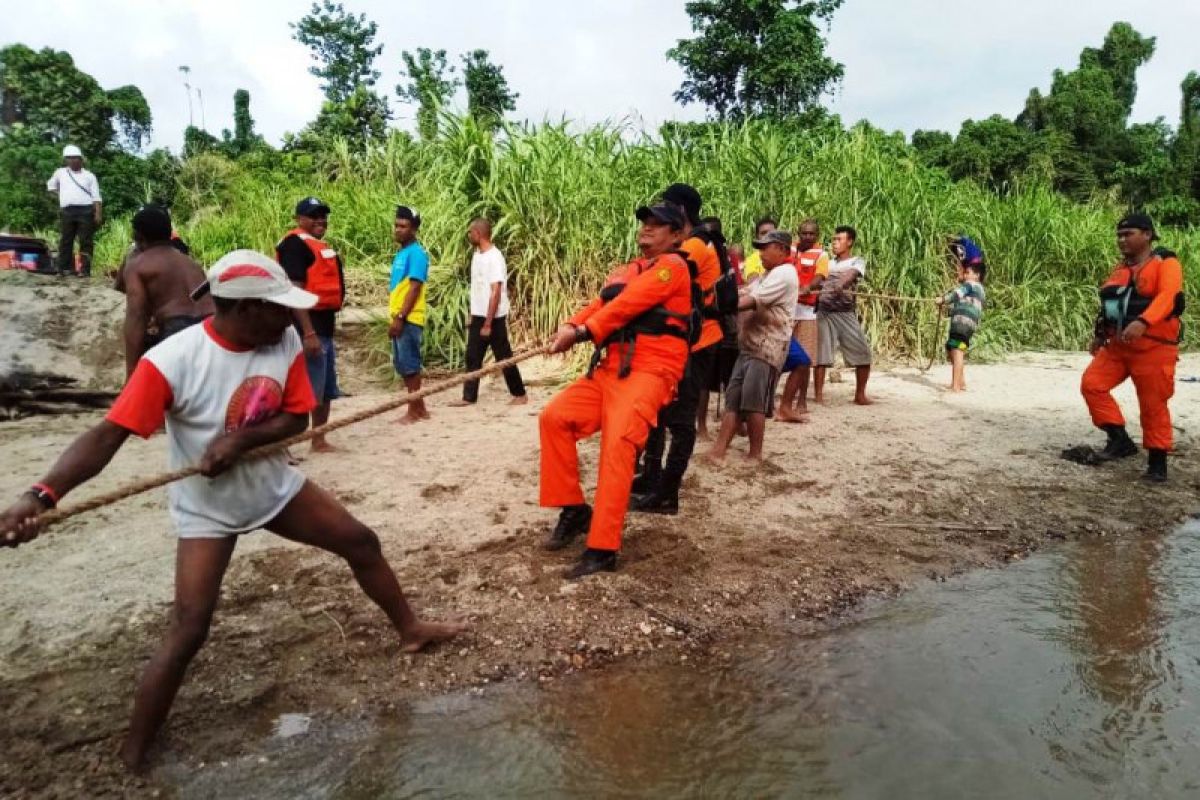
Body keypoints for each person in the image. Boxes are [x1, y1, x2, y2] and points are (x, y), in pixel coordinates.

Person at [0, 250, 464, 771]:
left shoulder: (283, 338)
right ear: (242, 309)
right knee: (190, 628)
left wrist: (239, 442)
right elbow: (108, 436)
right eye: (279, 308)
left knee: (361, 542)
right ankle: (133, 753)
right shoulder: (171, 360)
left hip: (273, 488)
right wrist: (38, 496)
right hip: (208, 509)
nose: (291, 318)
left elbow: (293, 420)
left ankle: (410, 628)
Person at [539, 204, 694, 579]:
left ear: (676, 235)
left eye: (658, 226)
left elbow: (628, 305)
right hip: (611, 367)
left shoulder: (674, 267)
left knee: (618, 445)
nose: (647, 230)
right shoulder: (628, 269)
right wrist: (570, 324)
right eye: (644, 223)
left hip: (651, 370)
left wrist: (580, 334)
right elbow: (603, 304)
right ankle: (575, 510)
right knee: (555, 418)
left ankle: (603, 549)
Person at [632, 184, 723, 514]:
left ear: (681, 211)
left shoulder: (696, 244)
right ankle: (653, 477)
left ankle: (668, 493)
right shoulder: (692, 241)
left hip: (698, 341)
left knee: (680, 418)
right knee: (660, 410)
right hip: (683, 340)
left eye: (667, 207)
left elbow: (661, 276)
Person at [1080, 213, 1185, 483]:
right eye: (1119, 235)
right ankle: (1120, 440)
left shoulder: (1166, 263)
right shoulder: (1120, 269)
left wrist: (1143, 321)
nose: (1122, 239)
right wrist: (1100, 334)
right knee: (1092, 384)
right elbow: (1110, 305)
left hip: (1154, 347)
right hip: (1118, 346)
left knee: (1152, 404)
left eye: (1128, 234)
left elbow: (1168, 296)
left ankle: (1157, 464)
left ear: (1147, 234)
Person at [705, 231, 799, 463]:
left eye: (766, 248)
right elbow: (744, 292)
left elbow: (749, 300)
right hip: (750, 346)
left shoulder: (785, 273)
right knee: (734, 398)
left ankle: (755, 454)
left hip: (767, 347)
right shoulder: (767, 275)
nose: (761, 253)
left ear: (781, 249)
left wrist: (720, 306)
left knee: (753, 403)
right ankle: (719, 450)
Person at [275, 197, 346, 453]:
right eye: (314, 215)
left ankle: (319, 439)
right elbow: (295, 290)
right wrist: (308, 332)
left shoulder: (319, 246)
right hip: (306, 329)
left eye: (323, 215)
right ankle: (282, 447)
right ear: (299, 219)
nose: (320, 220)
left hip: (324, 328)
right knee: (300, 390)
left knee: (324, 389)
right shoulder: (294, 245)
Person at [119, 205, 214, 376]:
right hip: (212, 324)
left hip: (178, 325)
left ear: (137, 236)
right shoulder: (189, 262)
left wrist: (131, 374)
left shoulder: (138, 264)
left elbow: (137, 317)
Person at [450, 217, 528, 406]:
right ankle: (469, 397)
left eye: (470, 232)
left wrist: (487, 323)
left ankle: (520, 394)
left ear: (478, 233)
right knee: (472, 356)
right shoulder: (477, 255)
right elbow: (477, 288)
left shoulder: (495, 257)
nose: (469, 235)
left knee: (504, 357)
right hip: (479, 315)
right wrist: (473, 313)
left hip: (493, 317)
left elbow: (495, 292)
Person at [777, 218, 829, 422]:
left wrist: (808, 287)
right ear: (798, 233)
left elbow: (820, 276)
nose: (807, 237)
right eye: (804, 233)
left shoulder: (821, 254)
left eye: (811, 234)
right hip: (787, 309)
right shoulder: (789, 250)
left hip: (806, 311)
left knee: (805, 359)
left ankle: (802, 401)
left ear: (817, 235)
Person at [814, 225, 873, 405]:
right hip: (824, 312)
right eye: (834, 239)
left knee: (863, 354)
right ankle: (818, 396)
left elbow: (850, 276)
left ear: (850, 242)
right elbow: (816, 280)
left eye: (839, 240)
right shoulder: (826, 263)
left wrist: (840, 284)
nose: (835, 243)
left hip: (846, 313)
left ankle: (860, 395)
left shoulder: (857, 261)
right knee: (821, 357)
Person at [388, 205, 431, 424]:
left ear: (413, 229)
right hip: (400, 317)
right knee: (403, 365)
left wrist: (400, 317)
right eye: (396, 225)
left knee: (410, 365)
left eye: (403, 226)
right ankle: (419, 408)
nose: (398, 229)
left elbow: (414, 288)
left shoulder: (416, 254)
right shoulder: (402, 253)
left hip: (409, 319)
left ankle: (414, 411)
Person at [936, 236, 987, 392]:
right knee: (952, 347)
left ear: (977, 275)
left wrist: (943, 300)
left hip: (962, 324)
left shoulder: (971, 285)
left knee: (957, 350)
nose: (964, 275)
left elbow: (957, 294)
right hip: (965, 323)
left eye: (967, 272)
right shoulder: (978, 288)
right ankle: (961, 382)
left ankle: (956, 385)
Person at [46, 144, 102, 277]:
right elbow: (51, 187)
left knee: (86, 241)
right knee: (66, 240)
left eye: (75, 158)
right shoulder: (60, 173)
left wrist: (98, 214)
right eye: (69, 158)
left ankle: (85, 270)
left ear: (80, 159)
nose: (72, 160)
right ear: (66, 160)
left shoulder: (89, 176)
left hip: (86, 210)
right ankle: (63, 268)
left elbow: (96, 197)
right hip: (67, 210)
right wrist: (62, 195)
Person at [740, 216, 777, 285]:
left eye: (772, 233)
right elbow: (753, 283)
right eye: (763, 233)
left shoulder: (787, 255)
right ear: (757, 237)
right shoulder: (752, 260)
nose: (768, 235)